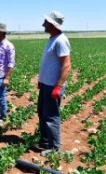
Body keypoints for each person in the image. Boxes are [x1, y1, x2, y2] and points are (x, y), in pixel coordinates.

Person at [37, 11, 71, 156]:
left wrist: (58, 86)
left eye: (46, 22)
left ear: (52, 24)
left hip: (52, 86)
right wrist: (41, 81)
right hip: (45, 84)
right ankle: (45, 141)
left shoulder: (61, 40)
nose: (43, 24)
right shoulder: (52, 39)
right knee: (42, 113)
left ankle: (54, 148)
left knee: (51, 116)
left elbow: (66, 65)